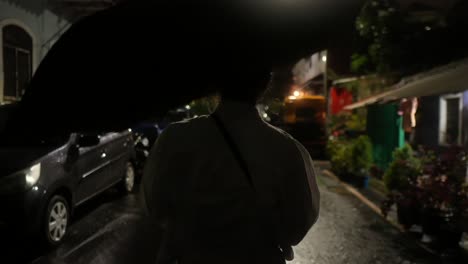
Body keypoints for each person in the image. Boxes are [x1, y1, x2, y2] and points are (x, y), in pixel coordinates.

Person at [141, 70, 320, 264]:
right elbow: (297, 225)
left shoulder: (175, 139)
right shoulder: (286, 149)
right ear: (265, 84)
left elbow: (155, 205)